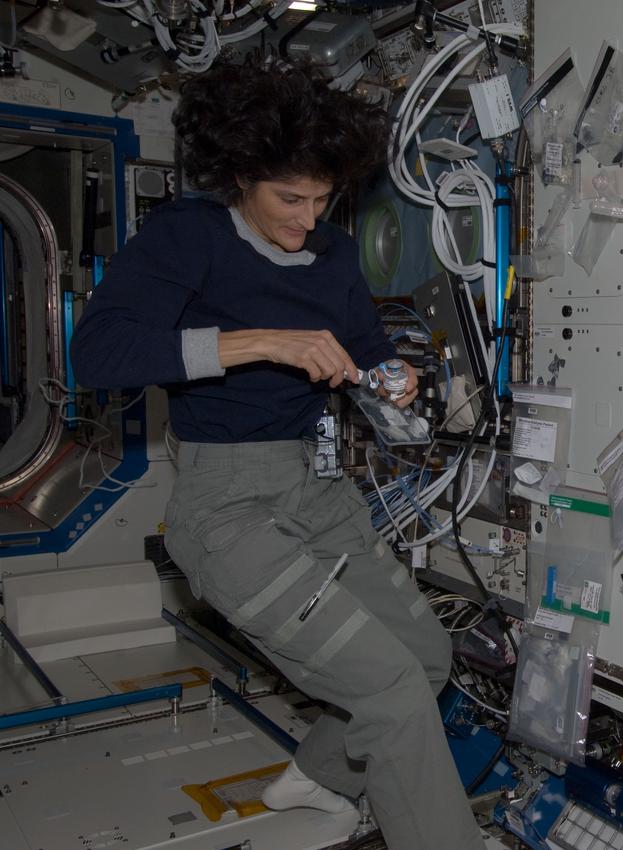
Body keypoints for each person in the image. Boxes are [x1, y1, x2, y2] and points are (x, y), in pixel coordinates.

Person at [71, 60, 484, 850]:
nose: (307, 219)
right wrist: (255, 342)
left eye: (323, 200)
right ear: (239, 177)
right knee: (391, 691)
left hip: (315, 488)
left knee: (425, 658)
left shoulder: (329, 255)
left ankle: (322, 776)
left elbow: (362, 348)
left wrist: (392, 375)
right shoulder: (186, 237)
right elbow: (98, 354)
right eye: (289, 199)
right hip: (228, 509)